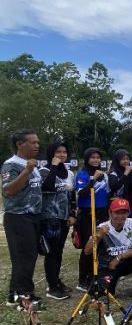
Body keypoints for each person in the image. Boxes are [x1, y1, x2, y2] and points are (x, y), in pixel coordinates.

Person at [1, 130, 42, 306]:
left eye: (37, 142)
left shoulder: (30, 164)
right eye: (33, 142)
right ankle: (24, 294)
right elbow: (8, 190)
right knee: (24, 256)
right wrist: (26, 171)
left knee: (28, 255)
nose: (37, 146)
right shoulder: (12, 165)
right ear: (20, 144)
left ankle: (15, 294)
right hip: (18, 216)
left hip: (32, 216)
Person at [84, 198, 132, 295]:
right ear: (110, 212)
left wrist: (119, 257)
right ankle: (107, 285)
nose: (120, 216)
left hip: (126, 261)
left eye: (124, 213)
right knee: (102, 293)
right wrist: (98, 236)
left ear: (128, 213)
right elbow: (87, 251)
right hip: (109, 266)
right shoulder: (102, 227)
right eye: (117, 213)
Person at [39, 141, 76, 300]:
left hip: (63, 217)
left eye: (64, 152)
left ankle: (57, 280)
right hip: (49, 218)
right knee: (51, 252)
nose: (62, 155)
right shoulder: (44, 170)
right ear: (51, 154)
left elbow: (71, 196)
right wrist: (53, 167)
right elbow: (46, 187)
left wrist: (72, 213)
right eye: (58, 152)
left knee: (59, 251)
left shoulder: (69, 173)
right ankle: (52, 286)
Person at [75, 147, 109, 292]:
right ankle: (83, 278)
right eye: (93, 157)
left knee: (101, 244)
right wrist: (93, 179)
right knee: (89, 245)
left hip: (102, 212)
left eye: (98, 157)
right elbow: (80, 193)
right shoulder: (82, 175)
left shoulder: (104, 175)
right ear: (87, 159)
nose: (96, 160)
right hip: (88, 214)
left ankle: (95, 273)